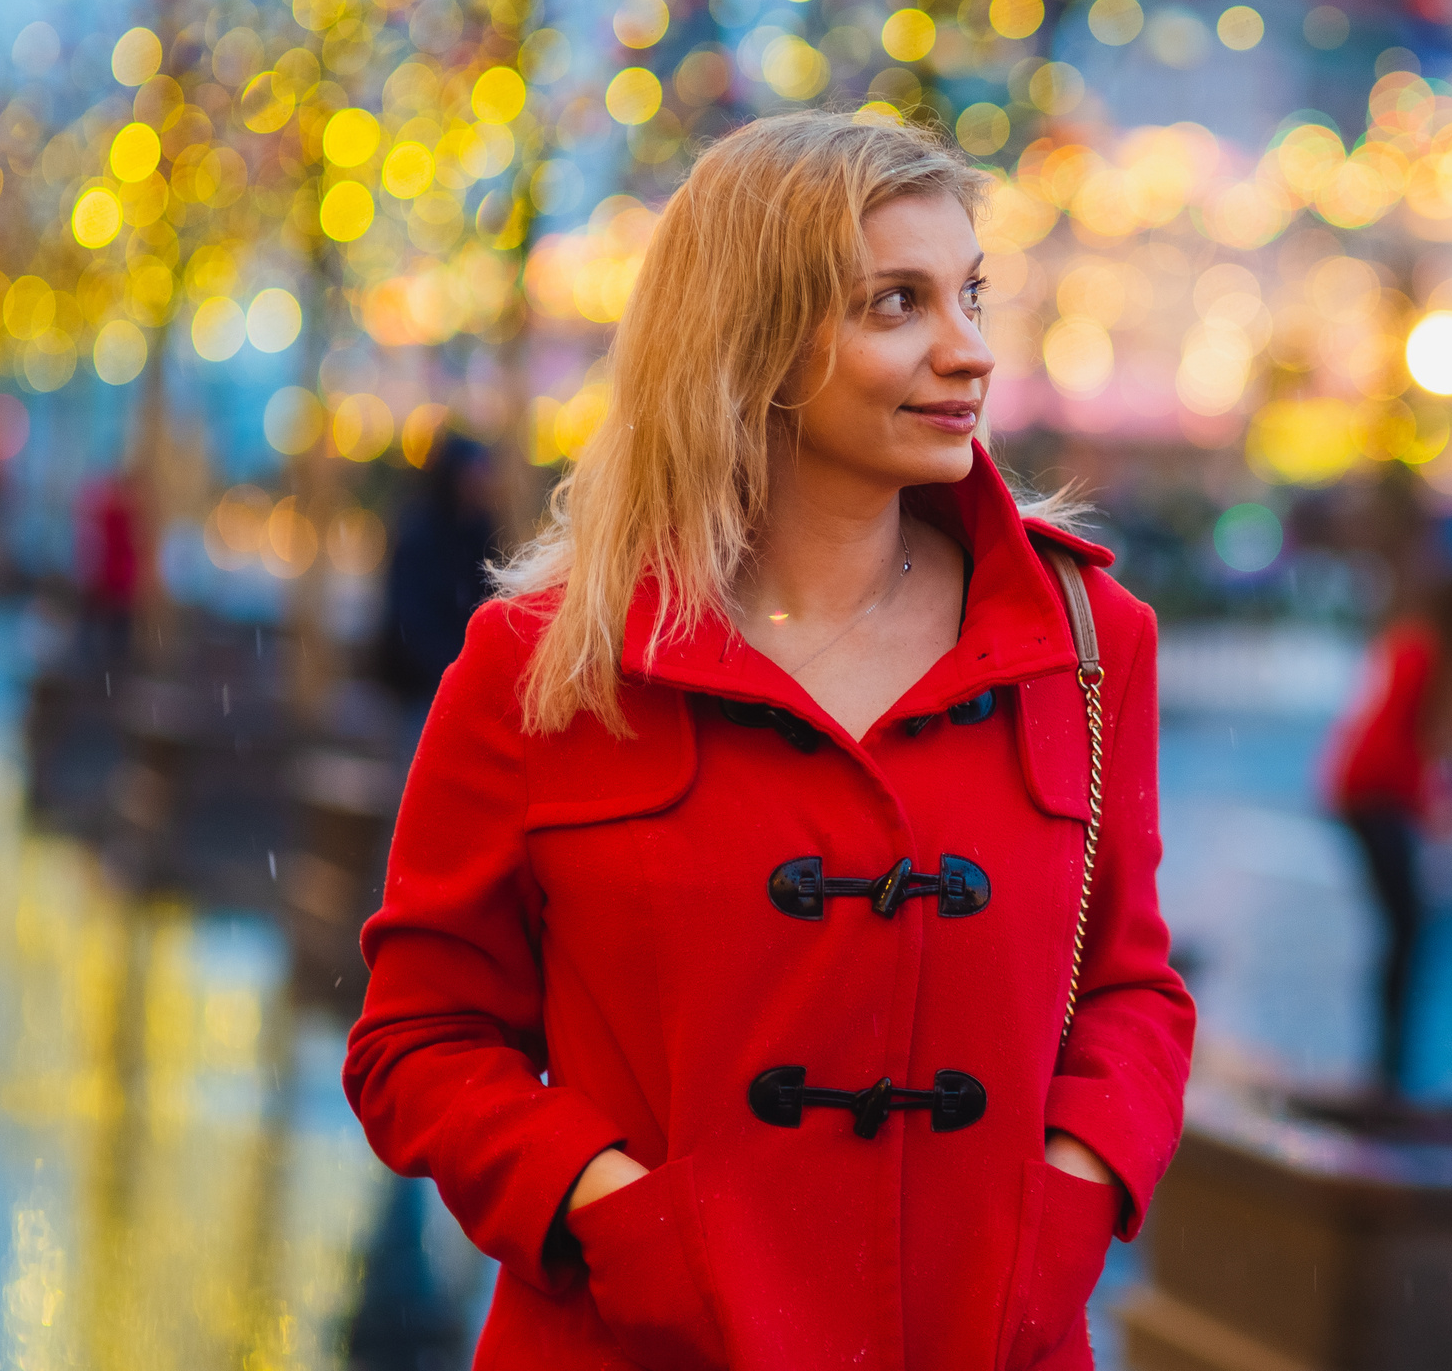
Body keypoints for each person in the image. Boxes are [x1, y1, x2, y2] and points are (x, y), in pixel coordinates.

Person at [344, 112, 1194, 1371]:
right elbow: (419, 1039)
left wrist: (1063, 1208)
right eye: (895, 304)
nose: (967, 353)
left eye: (969, 295)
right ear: (751, 339)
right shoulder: (541, 665)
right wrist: (612, 1214)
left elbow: (1131, 991)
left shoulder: (1085, 643)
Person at [1323, 575, 1452, 1098]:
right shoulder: (1425, 654)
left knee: (1405, 928)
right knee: (1407, 927)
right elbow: (1396, 741)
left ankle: (1392, 1059)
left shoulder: (1416, 645)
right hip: (1372, 797)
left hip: (1370, 794)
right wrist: (1431, 803)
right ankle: (1389, 1064)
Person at [376, 434, 501, 709]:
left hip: (465, 677)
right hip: (422, 681)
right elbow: (409, 614)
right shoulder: (419, 533)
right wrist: (447, 664)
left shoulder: (480, 530)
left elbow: (491, 594)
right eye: (473, 476)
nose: (480, 484)